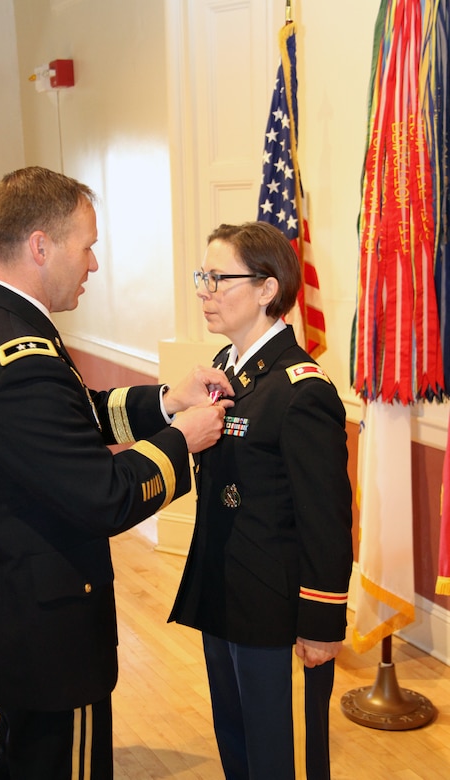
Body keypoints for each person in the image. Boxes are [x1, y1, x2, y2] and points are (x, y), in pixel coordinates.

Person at [0, 166, 234, 780]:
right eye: (87, 246)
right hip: (48, 631)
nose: (93, 264)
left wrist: (165, 401)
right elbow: (104, 497)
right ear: (41, 247)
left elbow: (78, 415)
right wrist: (184, 441)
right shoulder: (17, 355)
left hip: (10, 608)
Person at [169, 221, 353, 780]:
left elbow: (325, 518)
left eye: (217, 277)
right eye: (202, 276)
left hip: (273, 606)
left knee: (276, 752)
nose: (203, 289)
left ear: (268, 289)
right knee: (236, 740)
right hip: (224, 590)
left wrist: (322, 620)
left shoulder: (302, 390)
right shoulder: (225, 370)